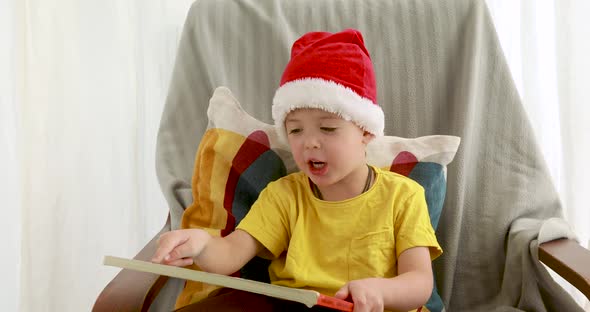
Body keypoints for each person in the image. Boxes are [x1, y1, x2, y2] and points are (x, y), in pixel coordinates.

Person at [152, 28, 442, 312]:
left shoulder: (404, 196)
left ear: (366, 131)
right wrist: (201, 244)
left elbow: (419, 283)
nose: (309, 143)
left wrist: (381, 290)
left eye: (327, 128)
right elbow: (230, 254)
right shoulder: (284, 196)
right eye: (295, 130)